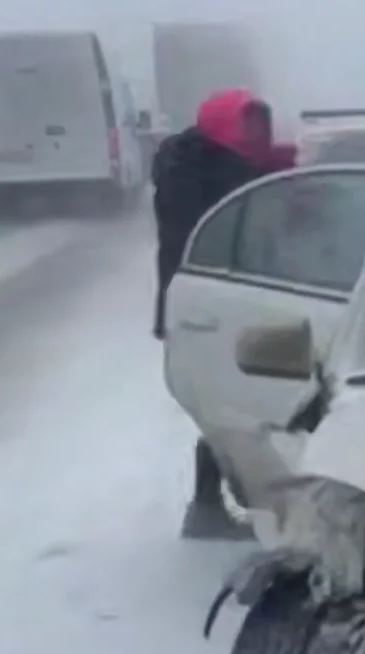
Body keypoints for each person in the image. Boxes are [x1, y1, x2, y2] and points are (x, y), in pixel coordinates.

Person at [150, 87, 292, 539]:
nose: (255, 136)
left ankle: (212, 503)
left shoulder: (198, 164)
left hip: (209, 301)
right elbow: (232, 207)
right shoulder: (195, 175)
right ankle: (208, 507)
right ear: (222, 127)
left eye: (259, 126)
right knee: (227, 405)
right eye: (246, 126)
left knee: (229, 403)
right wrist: (276, 175)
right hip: (208, 306)